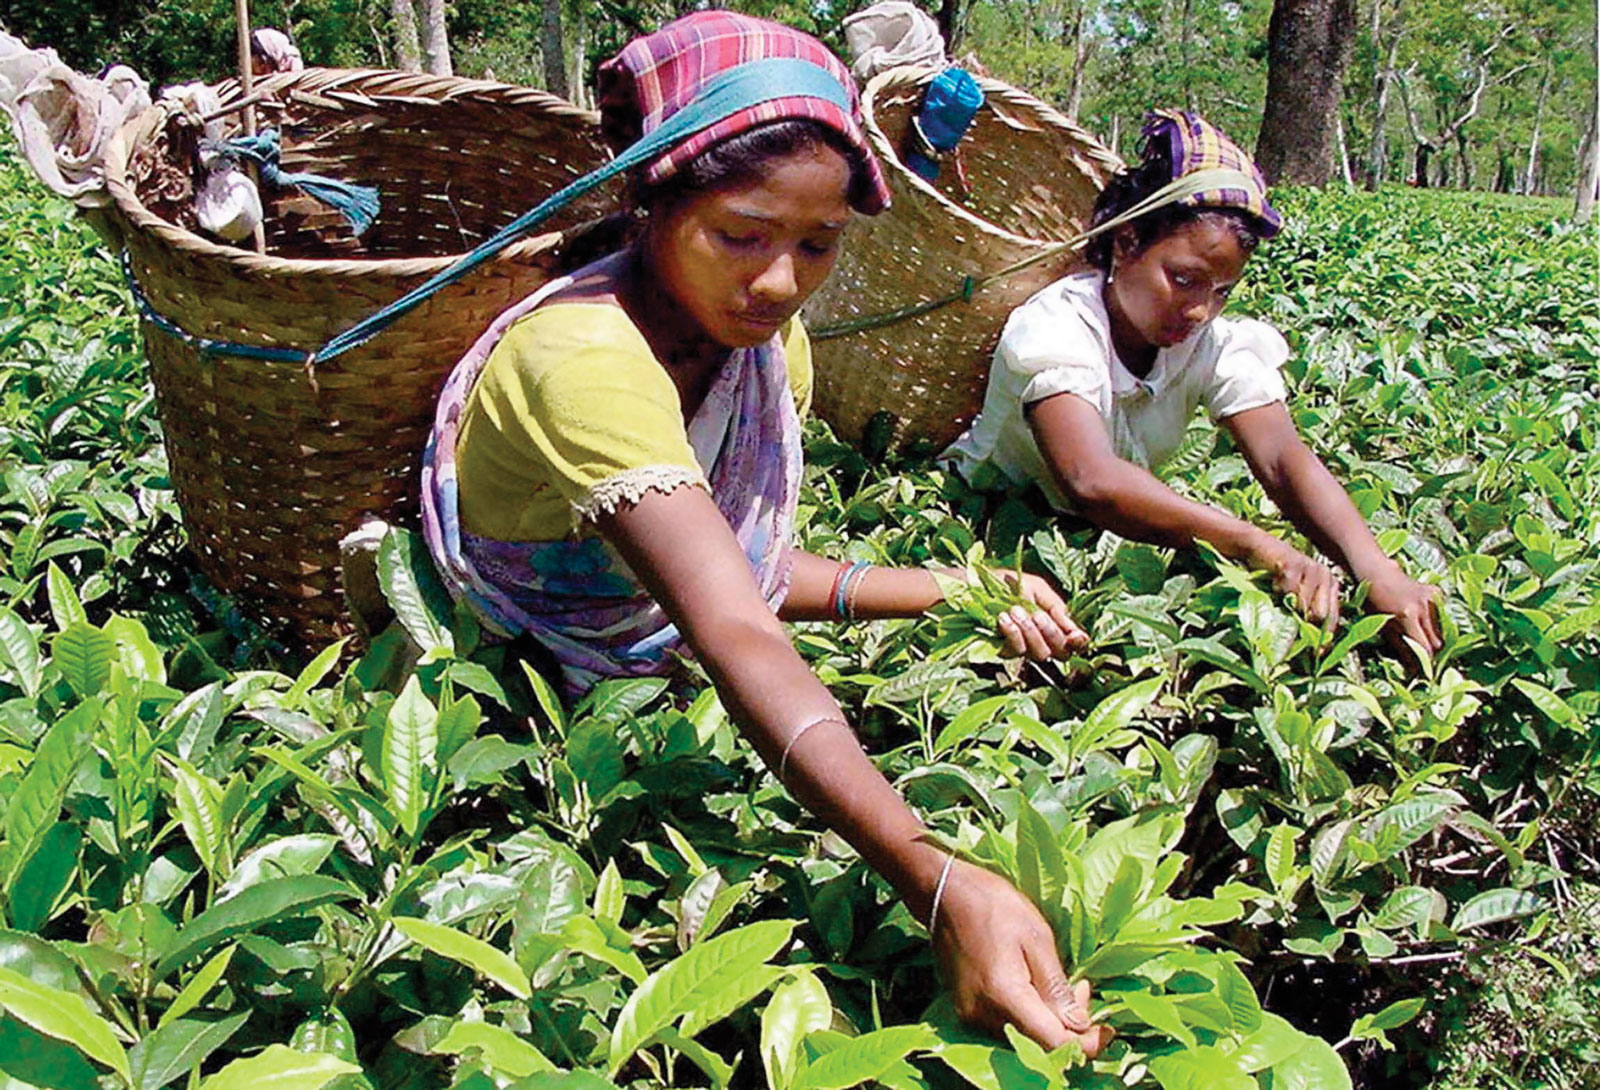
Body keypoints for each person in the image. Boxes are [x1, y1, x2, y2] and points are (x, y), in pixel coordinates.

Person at [421, 12, 1111, 1055]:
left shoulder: (761, 346)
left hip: (653, 681)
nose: (781, 280)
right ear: (651, 201)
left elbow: (740, 570)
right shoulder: (584, 362)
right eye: (741, 236)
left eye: (817, 244)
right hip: (513, 704)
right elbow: (732, 625)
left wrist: (957, 588)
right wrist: (932, 877)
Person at [946, 109, 1442, 657]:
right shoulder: (1057, 326)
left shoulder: (1210, 344)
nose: (1200, 309)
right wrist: (1254, 543)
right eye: (1183, 280)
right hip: (986, 529)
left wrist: (1378, 571)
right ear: (1126, 244)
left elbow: (1282, 459)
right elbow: (1091, 479)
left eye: (1222, 290)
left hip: (1109, 545)